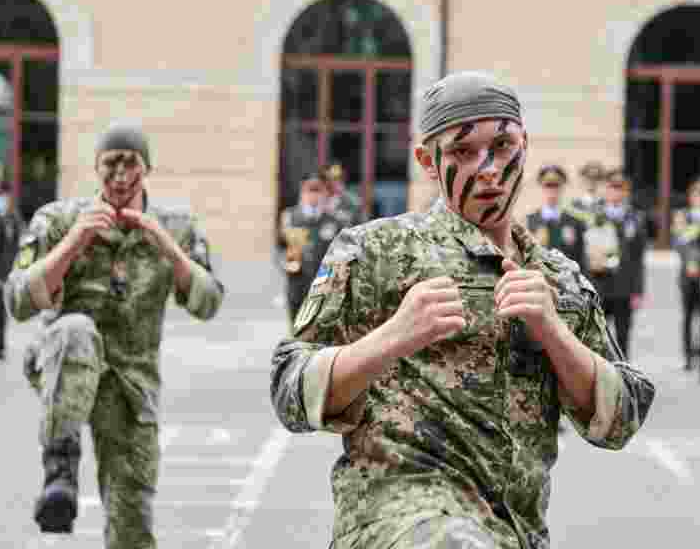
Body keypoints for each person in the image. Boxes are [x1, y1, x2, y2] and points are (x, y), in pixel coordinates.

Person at [270, 71, 655, 549]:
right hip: (397, 523)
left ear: (525, 146)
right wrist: (392, 338)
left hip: (516, 531)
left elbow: (622, 418)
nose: (488, 168)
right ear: (427, 162)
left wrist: (554, 333)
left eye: (502, 145)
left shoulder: (559, 279)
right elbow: (288, 387)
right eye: (462, 152)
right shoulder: (375, 251)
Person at [5, 122, 225, 547]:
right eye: (111, 163)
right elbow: (17, 300)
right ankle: (60, 472)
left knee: (132, 529)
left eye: (131, 163)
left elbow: (208, 302)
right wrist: (73, 241)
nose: (121, 175)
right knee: (76, 329)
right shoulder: (58, 219)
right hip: (63, 367)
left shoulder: (174, 226)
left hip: (131, 388)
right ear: (96, 167)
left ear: (147, 168)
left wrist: (167, 246)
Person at [587, 168, 648, 359]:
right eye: (612, 187)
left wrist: (638, 290)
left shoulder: (635, 218)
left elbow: (639, 258)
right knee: (598, 337)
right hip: (600, 284)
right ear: (606, 189)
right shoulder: (593, 215)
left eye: (620, 188)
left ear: (625, 191)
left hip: (624, 287)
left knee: (623, 337)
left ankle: (624, 378)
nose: (616, 192)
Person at [278, 164, 347, 328]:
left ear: (325, 192)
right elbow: (280, 248)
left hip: (324, 284)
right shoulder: (290, 217)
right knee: (296, 330)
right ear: (302, 191)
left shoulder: (335, 220)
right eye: (310, 190)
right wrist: (285, 264)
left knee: (320, 331)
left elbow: (341, 254)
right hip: (297, 282)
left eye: (318, 190)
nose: (313, 195)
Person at [672, 178, 700, 371]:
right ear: (691, 197)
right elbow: (679, 242)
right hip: (687, 274)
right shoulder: (683, 216)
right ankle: (688, 356)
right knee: (688, 316)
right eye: (698, 194)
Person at [525, 163, 586, 269]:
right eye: (548, 185)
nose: (552, 190)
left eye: (556, 185)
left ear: (562, 187)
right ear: (542, 187)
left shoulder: (575, 222)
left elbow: (581, 258)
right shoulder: (530, 221)